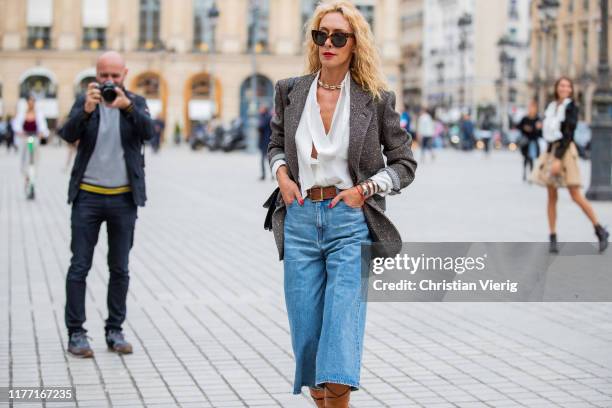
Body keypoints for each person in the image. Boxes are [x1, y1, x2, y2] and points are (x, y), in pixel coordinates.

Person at [266, 2, 417, 406]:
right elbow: (277, 146)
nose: (327, 43)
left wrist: (363, 191)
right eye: (320, 35)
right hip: (299, 222)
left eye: (338, 36)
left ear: (355, 44)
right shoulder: (290, 91)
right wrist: (282, 176)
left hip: (348, 223)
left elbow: (405, 164)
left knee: (339, 337)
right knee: (310, 341)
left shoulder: (376, 98)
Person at [60, 51, 154, 358]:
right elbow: (67, 134)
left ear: (125, 74)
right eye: (104, 76)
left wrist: (127, 107)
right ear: (96, 75)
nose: (110, 81)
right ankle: (76, 333)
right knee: (79, 266)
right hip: (87, 197)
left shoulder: (136, 102)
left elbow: (149, 133)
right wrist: (86, 110)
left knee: (120, 268)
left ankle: (115, 330)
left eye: (115, 76)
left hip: (124, 199)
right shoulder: (84, 101)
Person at [536, 77, 608, 253]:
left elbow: (568, 133)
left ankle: (599, 229)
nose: (565, 88)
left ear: (571, 90)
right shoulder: (552, 107)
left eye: (568, 86)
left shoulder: (572, 107)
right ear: (556, 88)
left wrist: (558, 159)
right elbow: (548, 132)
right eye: (562, 85)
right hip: (551, 150)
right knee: (551, 195)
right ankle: (552, 236)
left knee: (575, 194)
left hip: (565, 152)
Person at [13, 95, 49, 198]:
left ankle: (32, 181)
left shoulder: (39, 114)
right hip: (25, 140)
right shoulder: (22, 114)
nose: (31, 103)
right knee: (24, 162)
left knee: (33, 161)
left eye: (33, 101)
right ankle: (27, 178)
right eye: (29, 101)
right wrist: (20, 132)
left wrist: (42, 133)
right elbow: (16, 126)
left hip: (34, 140)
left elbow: (44, 128)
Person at [518, 100, 542, 181]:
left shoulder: (538, 119)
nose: (532, 109)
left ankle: (531, 174)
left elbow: (540, 132)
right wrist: (525, 128)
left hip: (533, 141)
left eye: (533, 107)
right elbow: (519, 127)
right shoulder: (525, 118)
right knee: (525, 158)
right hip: (526, 141)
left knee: (531, 158)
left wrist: (536, 128)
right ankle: (525, 173)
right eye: (530, 107)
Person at [258, 105, 272, 180]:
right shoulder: (265, 117)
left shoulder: (266, 117)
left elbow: (261, 127)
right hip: (265, 141)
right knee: (265, 159)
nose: (259, 110)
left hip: (266, 141)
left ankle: (267, 175)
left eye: (261, 108)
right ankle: (268, 175)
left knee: (266, 159)